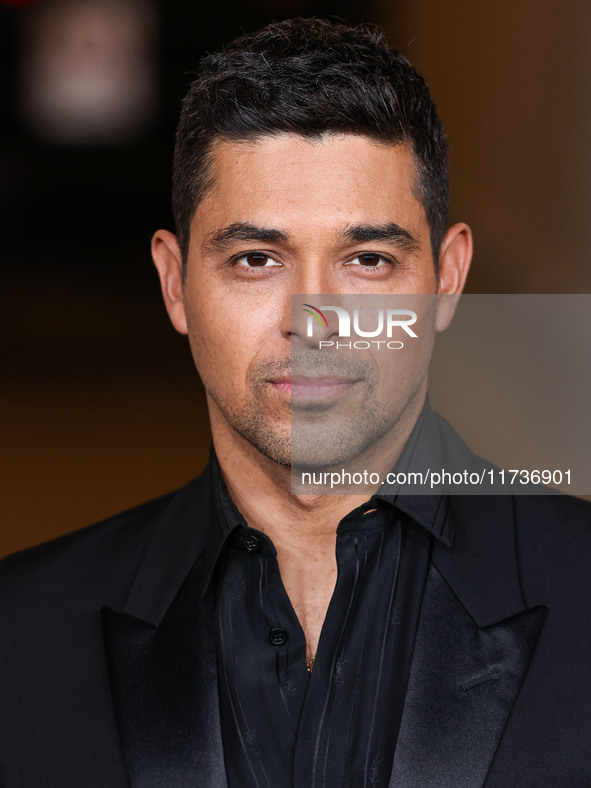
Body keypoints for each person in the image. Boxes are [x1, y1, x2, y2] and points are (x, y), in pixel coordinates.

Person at [1, 17, 590, 788]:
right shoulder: (19, 631)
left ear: (446, 282)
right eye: (255, 259)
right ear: (175, 283)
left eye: (368, 259)